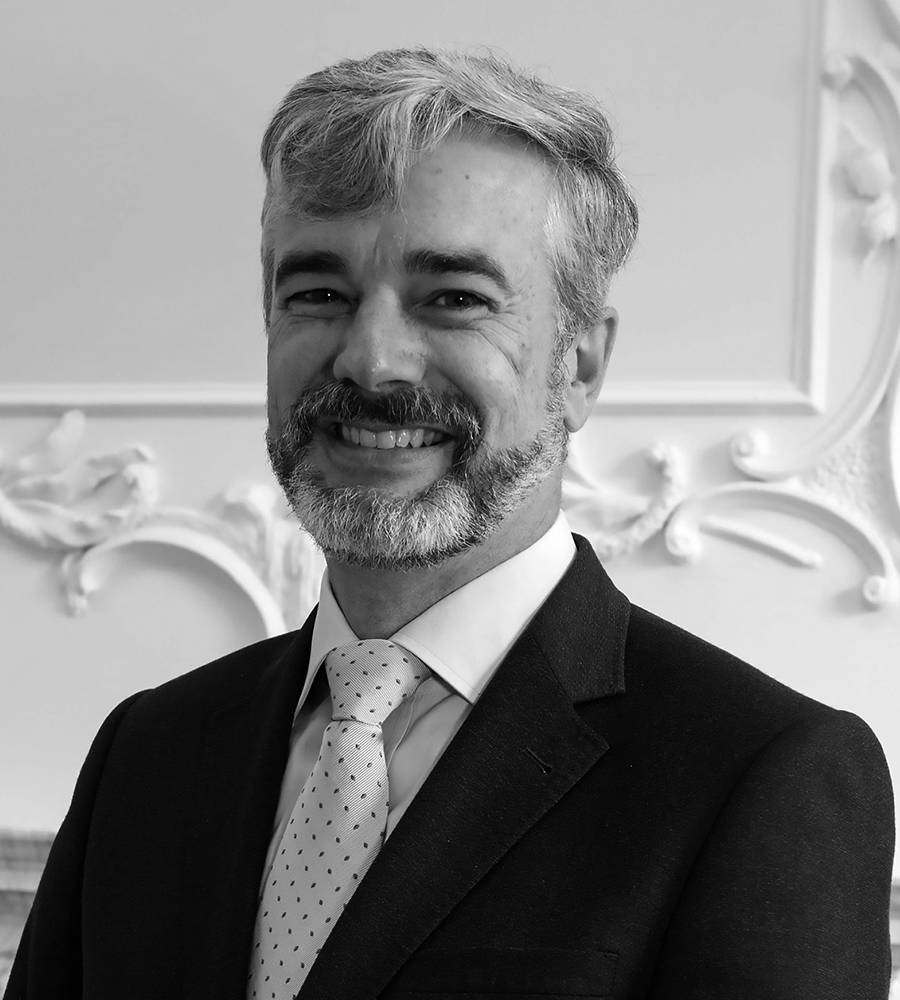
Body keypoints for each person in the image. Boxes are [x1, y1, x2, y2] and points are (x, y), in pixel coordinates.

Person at [6, 47, 895, 1000]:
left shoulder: (762, 773)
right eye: (318, 295)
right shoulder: (147, 751)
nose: (372, 361)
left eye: (455, 299)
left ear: (581, 366)